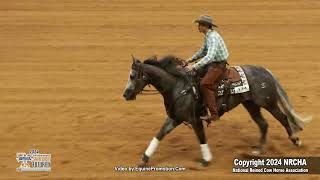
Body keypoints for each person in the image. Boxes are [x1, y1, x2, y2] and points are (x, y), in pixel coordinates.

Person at [186, 15, 229, 122]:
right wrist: (188, 61)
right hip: (213, 63)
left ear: (205, 26)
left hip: (218, 65)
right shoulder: (208, 36)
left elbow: (209, 57)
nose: (198, 26)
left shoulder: (213, 38)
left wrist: (193, 66)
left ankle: (214, 115)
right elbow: (203, 51)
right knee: (194, 76)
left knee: (204, 84)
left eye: (200, 24)